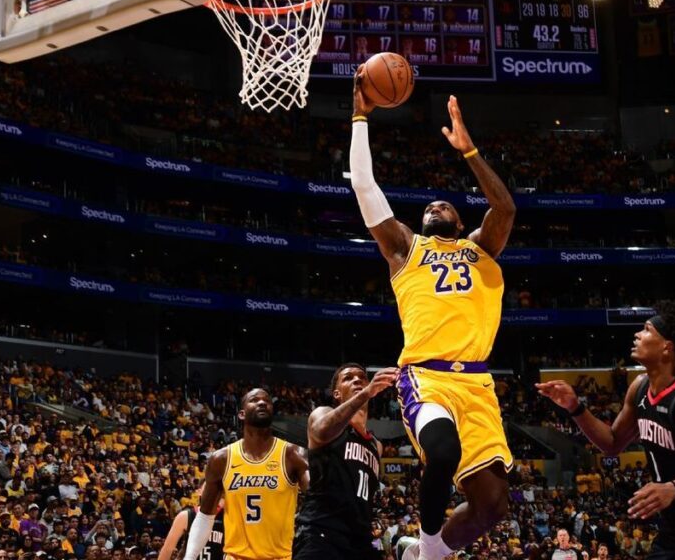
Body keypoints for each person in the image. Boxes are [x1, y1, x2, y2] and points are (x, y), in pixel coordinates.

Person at [350, 77, 517, 560]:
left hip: (478, 387)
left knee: (493, 506)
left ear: (461, 223)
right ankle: (425, 549)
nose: (435, 205)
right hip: (427, 377)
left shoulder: (480, 248)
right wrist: (359, 116)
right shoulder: (405, 248)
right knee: (441, 453)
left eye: (445, 205)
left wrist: (469, 153)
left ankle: (431, 551)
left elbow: (504, 207)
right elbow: (364, 185)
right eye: (429, 206)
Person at [536, 301, 675, 559]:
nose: (637, 334)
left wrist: (672, 488)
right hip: (673, 521)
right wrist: (575, 408)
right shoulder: (639, 387)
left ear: (667, 347)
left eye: (647, 330)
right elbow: (612, 443)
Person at [181, 389, 309, 560]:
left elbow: (318, 499)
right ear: (241, 414)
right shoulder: (221, 459)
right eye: (254, 400)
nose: (262, 403)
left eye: (267, 401)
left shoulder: (293, 454)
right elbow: (205, 517)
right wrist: (189, 558)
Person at [293, 363, 399, 559]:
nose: (357, 380)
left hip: (359, 541)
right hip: (322, 534)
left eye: (362, 377)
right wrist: (366, 393)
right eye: (348, 378)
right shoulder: (323, 414)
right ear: (336, 394)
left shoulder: (377, 445)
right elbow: (321, 431)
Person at [158, 485, 224, 560]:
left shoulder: (227, 517)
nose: (212, 492)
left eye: (216, 490)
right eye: (208, 487)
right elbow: (167, 549)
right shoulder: (186, 516)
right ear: (199, 492)